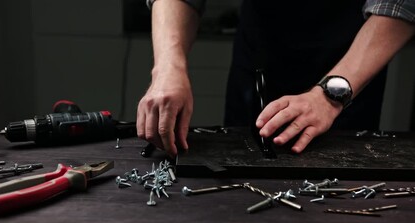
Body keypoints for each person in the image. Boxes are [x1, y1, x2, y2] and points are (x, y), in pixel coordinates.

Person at [137, 0, 415, 157]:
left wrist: (331, 94)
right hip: (260, 54)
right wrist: (167, 68)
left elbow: (399, 4)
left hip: (352, 59)